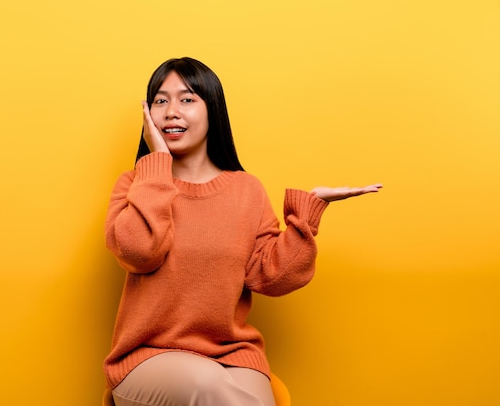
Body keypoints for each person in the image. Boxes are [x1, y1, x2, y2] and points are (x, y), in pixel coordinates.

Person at [103, 57, 382, 406]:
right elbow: (140, 252)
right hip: (147, 358)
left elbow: (271, 277)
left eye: (187, 99)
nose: (172, 111)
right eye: (161, 101)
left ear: (213, 111)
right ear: (147, 116)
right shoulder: (135, 185)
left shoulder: (246, 190)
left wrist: (307, 215)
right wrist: (157, 167)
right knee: (208, 386)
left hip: (230, 355)